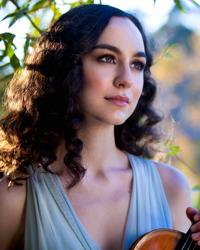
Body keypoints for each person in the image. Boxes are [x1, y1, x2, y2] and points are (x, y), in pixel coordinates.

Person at [0, 4, 200, 250]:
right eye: (107, 58)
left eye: (137, 64)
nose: (126, 78)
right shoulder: (15, 197)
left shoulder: (172, 187)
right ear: (66, 66)